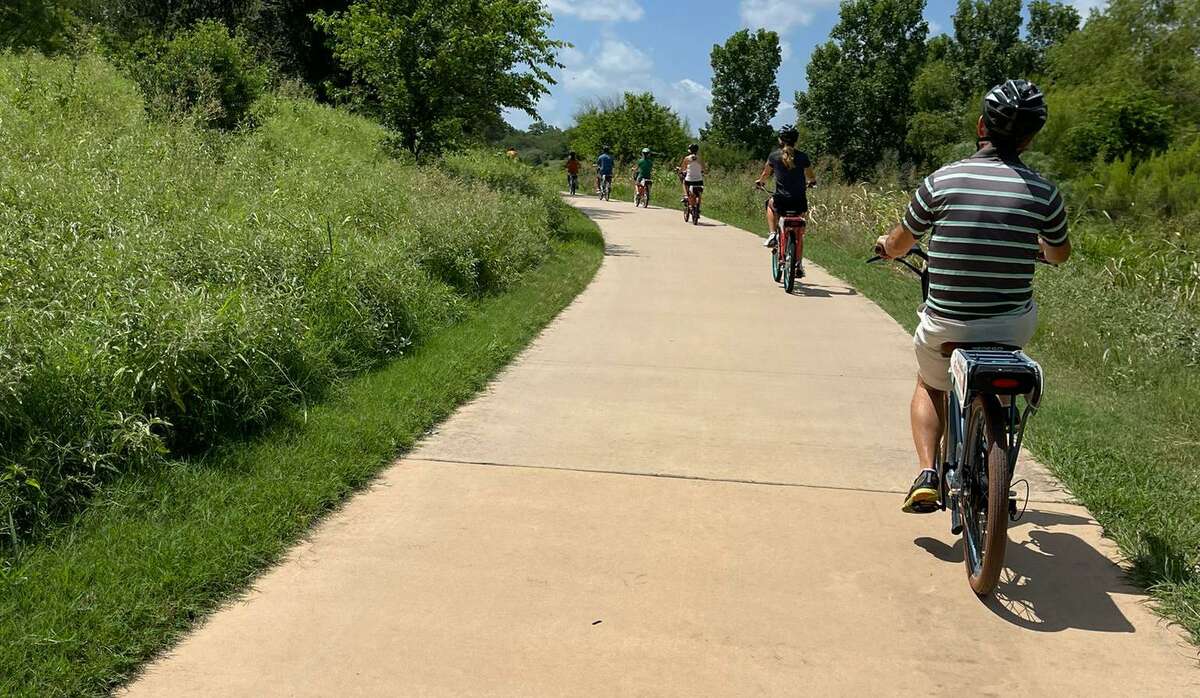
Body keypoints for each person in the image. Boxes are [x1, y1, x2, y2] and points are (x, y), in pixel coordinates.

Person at [873, 79, 1071, 514]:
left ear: (981, 125)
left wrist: (887, 247)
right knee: (1007, 351)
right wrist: (1038, 248)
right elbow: (1059, 253)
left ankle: (928, 473)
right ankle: (997, 435)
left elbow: (903, 241)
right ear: (1030, 137)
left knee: (930, 383)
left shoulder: (942, 180)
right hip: (1008, 324)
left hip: (948, 322)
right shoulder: (1044, 193)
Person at [755, 126, 816, 269]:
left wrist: (760, 182)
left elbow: (765, 174)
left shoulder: (774, 156)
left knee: (770, 203)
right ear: (796, 141)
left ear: (780, 140)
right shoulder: (803, 157)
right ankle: (799, 264)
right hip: (799, 200)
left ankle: (772, 234)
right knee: (799, 233)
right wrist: (812, 182)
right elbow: (811, 176)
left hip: (781, 200)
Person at [678, 143, 705, 209]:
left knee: (684, 182)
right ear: (697, 150)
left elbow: (683, 168)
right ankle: (698, 206)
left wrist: (680, 171)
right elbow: (704, 168)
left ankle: (686, 196)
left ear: (690, 151)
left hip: (689, 180)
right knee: (699, 191)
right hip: (699, 180)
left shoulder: (687, 158)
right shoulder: (700, 159)